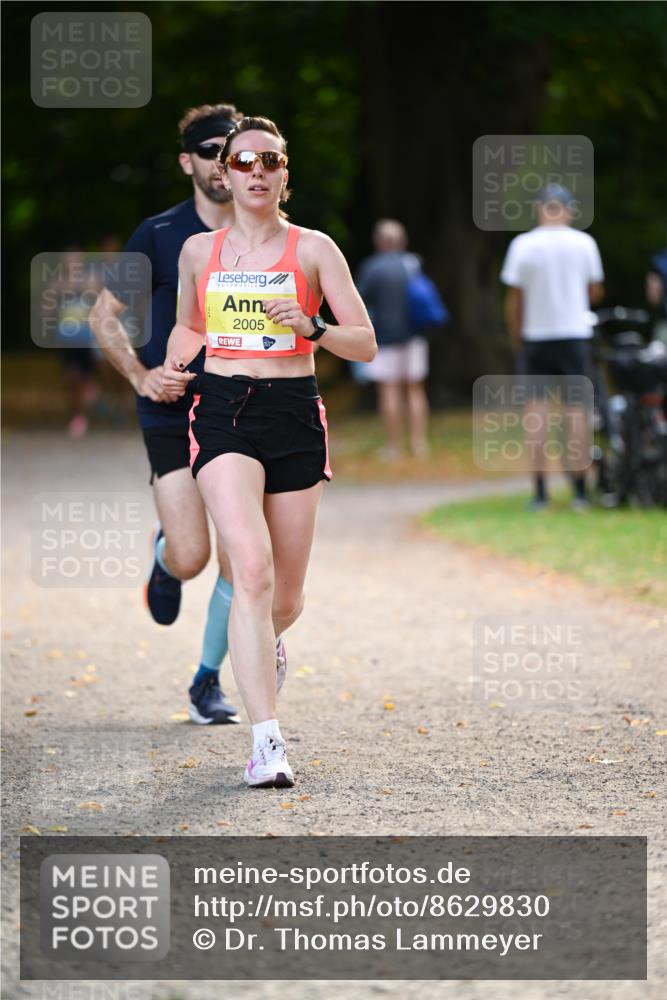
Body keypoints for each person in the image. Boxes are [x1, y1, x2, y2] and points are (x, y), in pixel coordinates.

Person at [163, 116, 376, 788]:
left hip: (294, 415)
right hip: (223, 412)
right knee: (248, 571)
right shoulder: (198, 252)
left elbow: (365, 341)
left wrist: (313, 326)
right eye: (243, 160)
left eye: (270, 161)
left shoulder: (314, 250)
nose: (257, 172)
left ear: (284, 174)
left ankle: (265, 642)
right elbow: (189, 323)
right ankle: (266, 744)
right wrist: (174, 358)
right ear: (222, 173)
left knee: (284, 596)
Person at [90, 103, 246, 725]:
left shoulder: (268, 232)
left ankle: (206, 682)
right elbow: (104, 316)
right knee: (192, 557)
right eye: (209, 151)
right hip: (172, 409)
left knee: (240, 554)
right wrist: (140, 374)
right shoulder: (157, 234)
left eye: (233, 150)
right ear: (188, 161)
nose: (223, 162)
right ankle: (164, 558)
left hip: (241, 410)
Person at [501, 184, 605, 510]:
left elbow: (514, 300)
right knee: (576, 412)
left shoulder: (523, 245)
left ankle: (540, 492)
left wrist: (518, 337)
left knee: (537, 414)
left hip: (536, 337)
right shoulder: (584, 243)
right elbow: (595, 291)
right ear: (570, 210)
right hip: (574, 335)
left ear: (539, 209)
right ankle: (579, 491)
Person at [356, 220, 431, 459]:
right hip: (414, 336)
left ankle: (394, 447)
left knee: (389, 391)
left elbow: (360, 301)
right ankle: (420, 445)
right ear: (402, 241)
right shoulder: (413, 263)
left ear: (378, 241)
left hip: (385, 338)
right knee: (415, 389)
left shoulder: (372, 268)